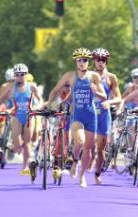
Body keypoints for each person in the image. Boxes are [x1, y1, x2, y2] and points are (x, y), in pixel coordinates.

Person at [45, 48, 107, 188]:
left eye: (85, 60)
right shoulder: (70, 76)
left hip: (91, 115)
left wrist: (96, 92)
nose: (82, 63)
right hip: (77, 115)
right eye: (79, 60)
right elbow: (56, 89)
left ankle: (81, 175)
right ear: (76, 62)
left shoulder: (94, 77)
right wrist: (49, 103)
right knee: (80, 141)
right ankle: (74, 161)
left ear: (88, 62)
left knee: (88, 148)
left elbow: (104, 97)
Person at [0, 63, 42, 175]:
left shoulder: (32, 87)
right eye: (17, 74)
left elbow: (39, 100)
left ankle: (25, 167)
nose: (20, 76)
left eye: (22, 74)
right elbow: (0, 98)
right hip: (16, 115)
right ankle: (14, 148)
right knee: (17, 144)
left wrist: (38, 108)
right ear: (14, 75)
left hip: (29, 116)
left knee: (27, 143)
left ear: (26, 75)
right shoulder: (10, 86)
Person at [91, 48, 122, 184]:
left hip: (104, 115)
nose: (100, 62)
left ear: (106, 61)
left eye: (103, 60)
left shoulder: (111, 77)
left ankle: (97, 174)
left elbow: (119, 98)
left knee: (100, 150)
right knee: (87, 145)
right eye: (98, 59)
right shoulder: (87, 75)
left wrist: (109, 101)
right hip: (89, 114)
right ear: (94, 60)